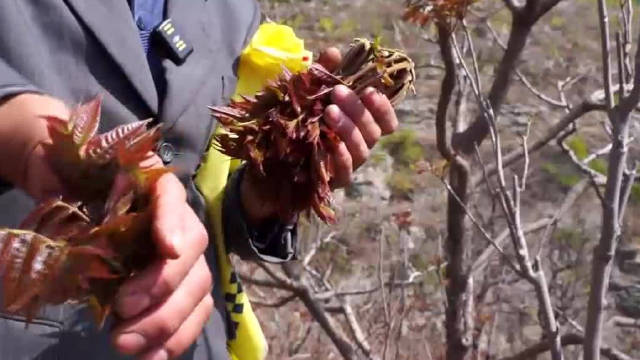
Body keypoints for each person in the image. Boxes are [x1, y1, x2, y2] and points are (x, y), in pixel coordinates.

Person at [0, 1, 398, 359]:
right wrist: (59, 151)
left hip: (194, 340)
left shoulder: (233, 11)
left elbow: (198, 189)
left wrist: (271, 189)